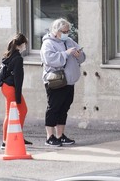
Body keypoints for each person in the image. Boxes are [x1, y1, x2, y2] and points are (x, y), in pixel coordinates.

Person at [40, 18, 86, 146]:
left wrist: (78, 54)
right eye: (64, 31)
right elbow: (50, 60)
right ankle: (50, 136)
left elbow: (82, 57)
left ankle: (60, 135)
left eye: (68, 31)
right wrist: (65, 53)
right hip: (56, 80)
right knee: (54, 107)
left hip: (69, 80)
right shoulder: (48, 44)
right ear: (56, 30)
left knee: (64, 107)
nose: (67, 33)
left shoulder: (69, 40)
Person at [0, 33, 32, 150]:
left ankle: (16, 134)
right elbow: (18, 79)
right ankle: (5, 140)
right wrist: (18, 96)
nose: (25, 47)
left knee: (21, 110)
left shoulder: (9, 54)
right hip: (11, 88)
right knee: (12, 113)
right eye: (25, 44)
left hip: (6, 87)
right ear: (21, 45)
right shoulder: (18, 58)